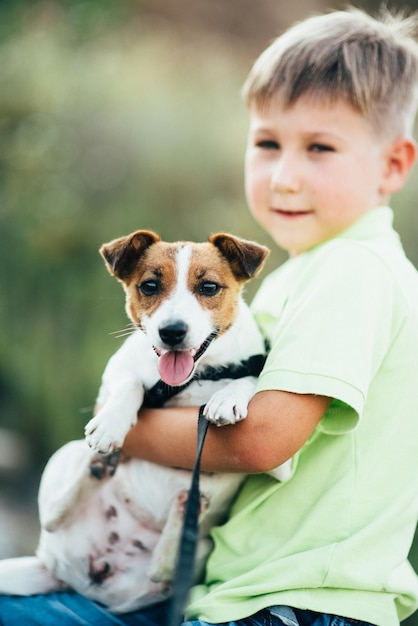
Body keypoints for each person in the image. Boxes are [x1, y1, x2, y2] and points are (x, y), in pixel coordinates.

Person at [1, 6, 418, 626]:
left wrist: (121, 423)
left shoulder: (355, 271)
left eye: (320, 148)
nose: (285, 177)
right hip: (229, 588)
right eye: (267, 143)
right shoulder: (304, 272)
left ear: (393, 165)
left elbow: (261, 439)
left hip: (298, 601)